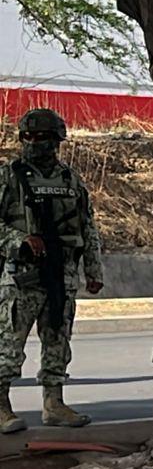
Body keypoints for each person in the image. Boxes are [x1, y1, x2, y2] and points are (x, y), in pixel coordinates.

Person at [0, 108, 104, 433]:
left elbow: (87, 226)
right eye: (28, 137)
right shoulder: (9, 177)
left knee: (58, 339)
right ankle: (1, 406)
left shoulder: (70, 180)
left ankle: (54, 404)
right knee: (8, 343)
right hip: (22, 276)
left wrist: (93, 269)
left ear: (56, 140)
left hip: (62, 273)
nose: (33, 143)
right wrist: (21, 240)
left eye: (41, 137)